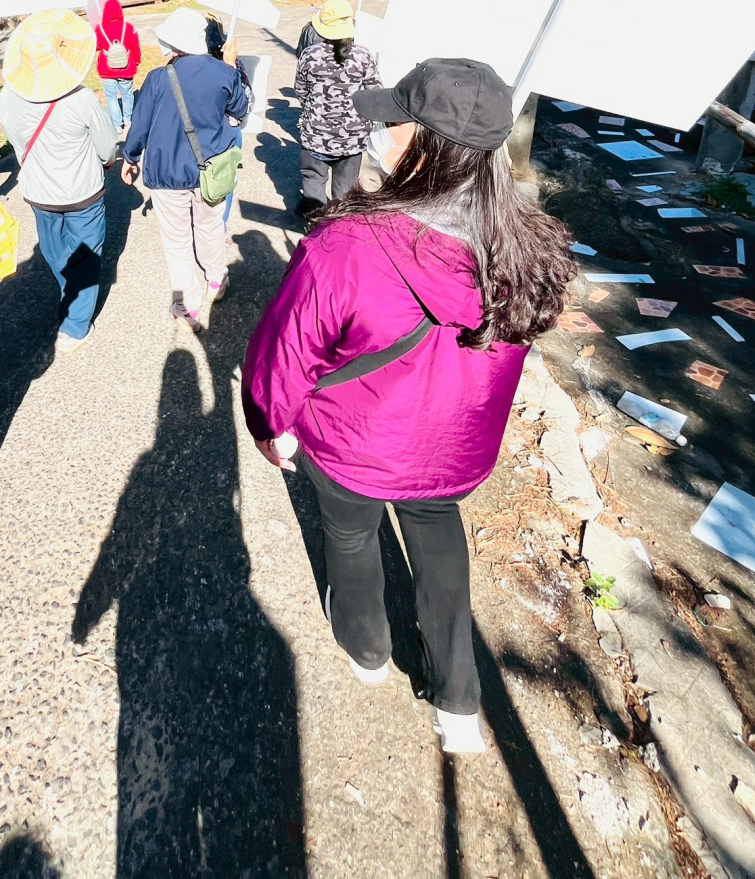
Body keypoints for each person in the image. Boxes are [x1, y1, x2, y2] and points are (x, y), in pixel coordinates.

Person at [242, 58, 574, 753]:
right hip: (454, 447)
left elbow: (285, 349)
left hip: (353, 442)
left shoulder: (346, 244)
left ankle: (366, 646)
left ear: (424, 143)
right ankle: (457, 696)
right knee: (437, 530)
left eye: (392, 121)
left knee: (354, 535)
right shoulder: (526, 245)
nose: (377, 131)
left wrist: (269, 422)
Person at [0, 8, 117, 354]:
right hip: (82, 192)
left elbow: (18, 143)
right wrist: (106, 162)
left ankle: (72, 294)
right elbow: (107, 146)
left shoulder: (7, 97)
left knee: (54, 250)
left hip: (38, 191)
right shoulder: (80, 99)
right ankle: (75, 325)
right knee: (85, 254)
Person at [121, 7, 248, 330]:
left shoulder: (157, 78)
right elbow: (241, 109)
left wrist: (131, 157)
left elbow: (140, 124)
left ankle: (187, 304)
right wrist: (231, 67)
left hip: (167, 172)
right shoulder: (223, 71)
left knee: (176, 240)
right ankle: (216, 281)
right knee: (209, 227)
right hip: (211, 170)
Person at [294, 0, 379, 220]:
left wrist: (314, 110)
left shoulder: (309, 55)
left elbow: (300, 91)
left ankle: (315, 227)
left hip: (315, 136)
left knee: (313, 181)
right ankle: (339, 230)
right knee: (345, 190)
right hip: (352, 138)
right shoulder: (363, 56)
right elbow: (374, 92)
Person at [204, 15, 252, 231]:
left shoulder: (187, 66)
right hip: (230, 131)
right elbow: (247, 103)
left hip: (200, 132)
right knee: (225, 181)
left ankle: (207, 226)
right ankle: (219, 226)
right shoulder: (233, 65)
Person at [93, 0, 142, 136]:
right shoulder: (129, 28)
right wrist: (136, 61)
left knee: (111, 97)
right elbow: (135, 47)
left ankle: (116, 125)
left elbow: (96, 47)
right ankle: (128, 120)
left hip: (106, 69)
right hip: (126, 68)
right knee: (127, 94)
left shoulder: (99, 28)